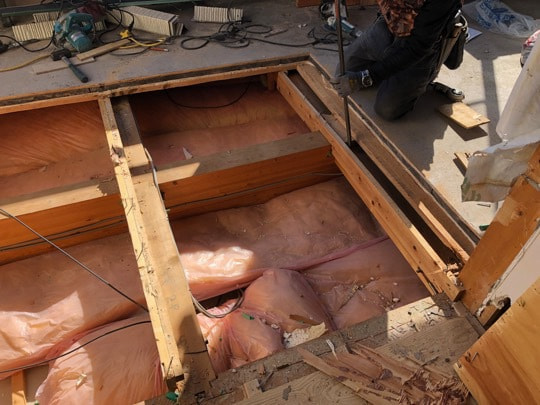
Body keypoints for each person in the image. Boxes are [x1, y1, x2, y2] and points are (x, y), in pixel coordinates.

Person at [332, 0, 464, 120]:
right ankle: (388, 67)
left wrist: (365, 77)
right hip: (391, 22)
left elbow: (417, 49)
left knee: (387, 110)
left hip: (422, 43)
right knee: (342, 73)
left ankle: (428, 72)